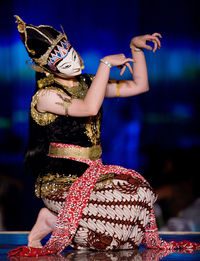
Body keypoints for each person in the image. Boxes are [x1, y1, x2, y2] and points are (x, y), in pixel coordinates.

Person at [8, 16, 199, 257]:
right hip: (61, 180)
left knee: (139, 196)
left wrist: (135, 49)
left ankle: (58, 222)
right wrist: (106, 64)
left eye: (68, 50)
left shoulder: (88, 83)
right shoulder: (46, 96)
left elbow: (139, 86)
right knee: (111, 236)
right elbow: (88, 107)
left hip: (93, 172)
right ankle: (50, 220)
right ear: (45, 67)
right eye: (58, 57)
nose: (69, 58)